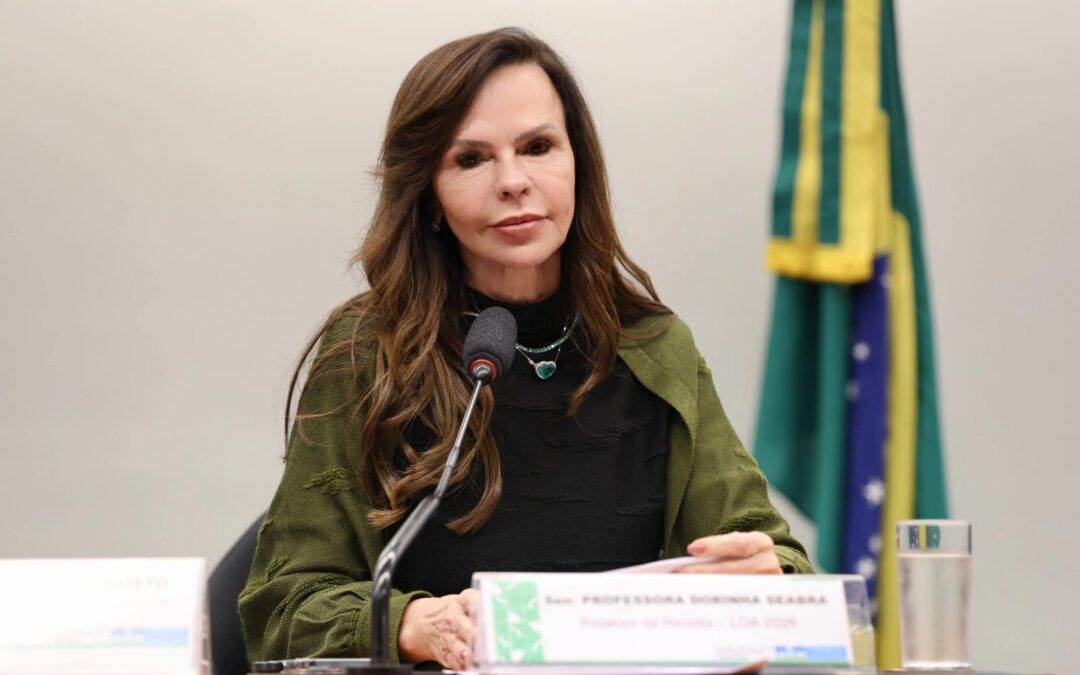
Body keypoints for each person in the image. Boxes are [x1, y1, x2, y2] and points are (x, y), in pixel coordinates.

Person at [239, 27, 813, 671]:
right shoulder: (369, 352)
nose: (513, 181)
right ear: (428, 194)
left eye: (538, 146)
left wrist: (765, 579)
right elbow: (283, 605)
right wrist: (410, 623)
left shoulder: (655, 349)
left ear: (579, 165)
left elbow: (777, 560)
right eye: (471, 159)